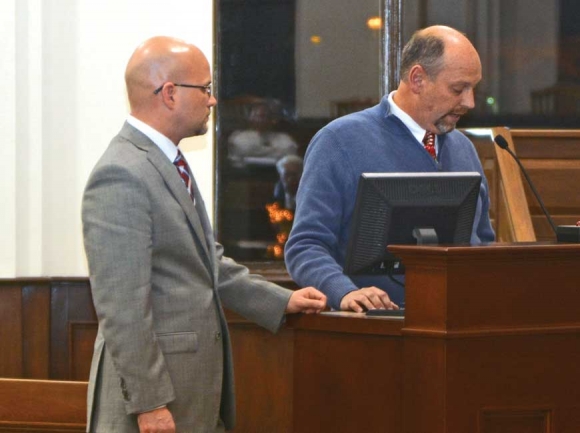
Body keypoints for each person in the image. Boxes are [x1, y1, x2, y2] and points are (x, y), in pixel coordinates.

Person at [82, 36, 326, 433]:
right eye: (207, 89)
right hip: (156, 406)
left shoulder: (167, 159)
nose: (213, 101)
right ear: (170, 94)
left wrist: (282, 301)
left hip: (189, 396)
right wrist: (149, 405)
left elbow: (206, 264)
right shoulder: (122, 173)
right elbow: (122, 306)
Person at [285, 25, 495, 313]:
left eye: (473, 89)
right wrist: (345, 292)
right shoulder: (339, 141)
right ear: (418, 78)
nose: (469, 102)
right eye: (458, 89)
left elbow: (482, 243)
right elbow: (305, 245)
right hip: (374, 333)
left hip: (458, 326)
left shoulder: (463, 148)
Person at [227, 100, 299, 167]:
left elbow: (290, 161)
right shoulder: (238, 138)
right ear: (250, 118)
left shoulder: (285, 140)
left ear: (273, 119)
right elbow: (236, 161)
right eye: (257, 116)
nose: (260, 119)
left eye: (264, 116)